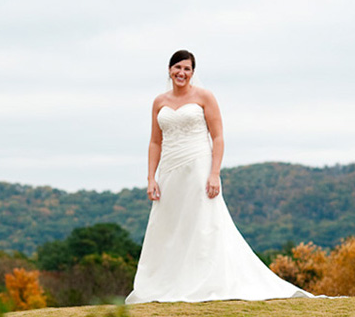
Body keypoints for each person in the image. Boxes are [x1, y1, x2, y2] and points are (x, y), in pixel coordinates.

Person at [125, 50, 314, 303]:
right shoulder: (159, 101)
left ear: (193, 72)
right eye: (178, 67)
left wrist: (214, 173)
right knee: (170, 225)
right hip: (169, 169)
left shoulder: (204, 96)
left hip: (198, 166)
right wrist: (151, 177)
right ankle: (168, 282)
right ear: (169, 70)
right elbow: (155, 142)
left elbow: (218, 137)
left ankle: (205, 280)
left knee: (202, 222)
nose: (182, 73)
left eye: (187, 69)